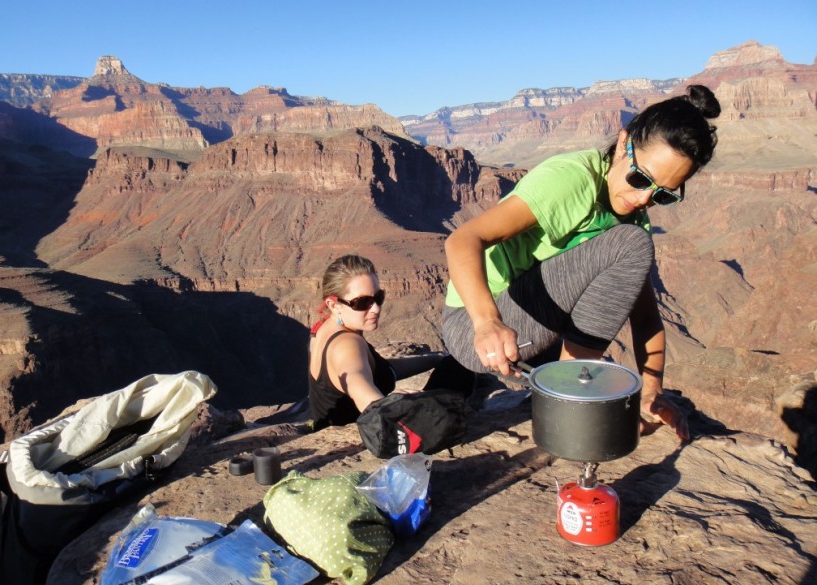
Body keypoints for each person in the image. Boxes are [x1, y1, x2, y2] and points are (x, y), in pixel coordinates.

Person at [442, 85, 722, 441]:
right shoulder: (573, 179)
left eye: (663, 195)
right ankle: (568, 396)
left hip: (530, 342)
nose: (642, 199)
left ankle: (569, 384)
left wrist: (652, 391)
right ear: (623, 144)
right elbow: (462, 240)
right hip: (477, 329)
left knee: (612, 377)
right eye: (640, 178)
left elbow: (646, 318)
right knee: (632, 244)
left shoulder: (632, 218)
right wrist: (487, 323)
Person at [308, 254, 448, 431]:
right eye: (362, 302)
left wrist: (434, 359)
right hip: (360, 440)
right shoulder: (347, 345)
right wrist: (388, 406)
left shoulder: (323, 328)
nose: (375, 308)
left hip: (324, 427)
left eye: (378, 297)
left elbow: (377, 369)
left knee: (449, 364)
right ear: (334, 305)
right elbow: (357, 382)